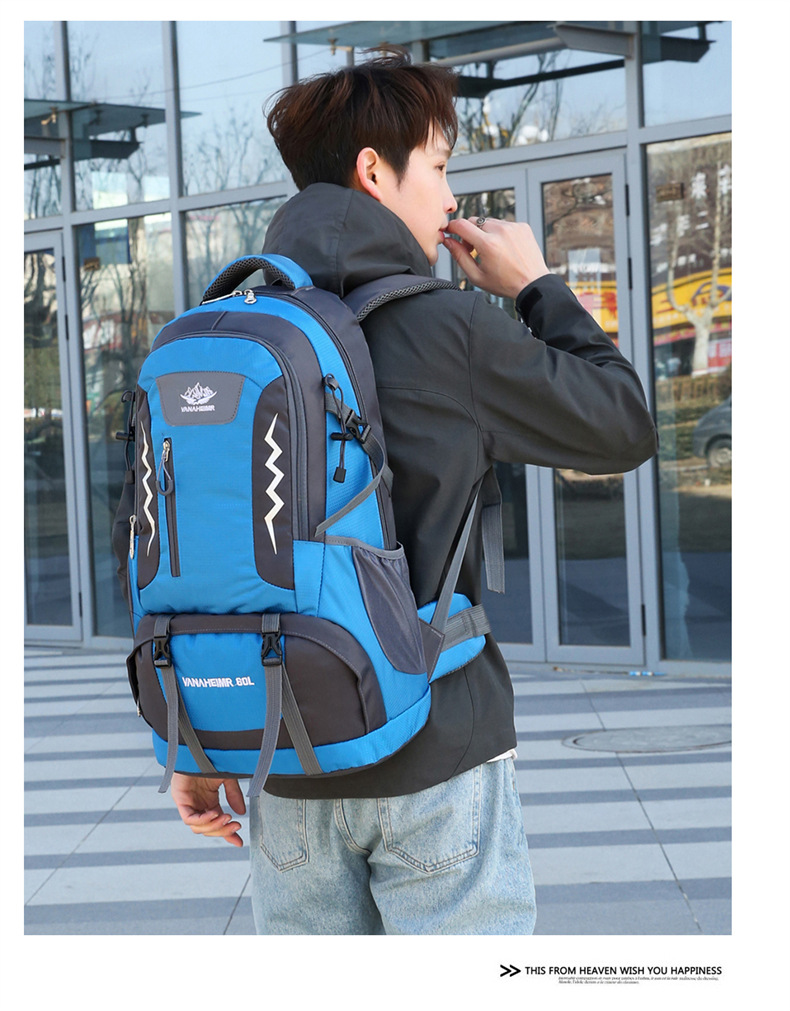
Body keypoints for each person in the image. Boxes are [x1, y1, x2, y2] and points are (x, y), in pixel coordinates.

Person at [168, 49, 658, 935]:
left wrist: (194, 739)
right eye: (438, 165)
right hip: (435, 747)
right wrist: (537, 287)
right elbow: (622, 424)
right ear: (374, 171)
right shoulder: (447, 326)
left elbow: (193, 550)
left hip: (286, 755)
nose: (450, 196)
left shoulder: (227, 330)